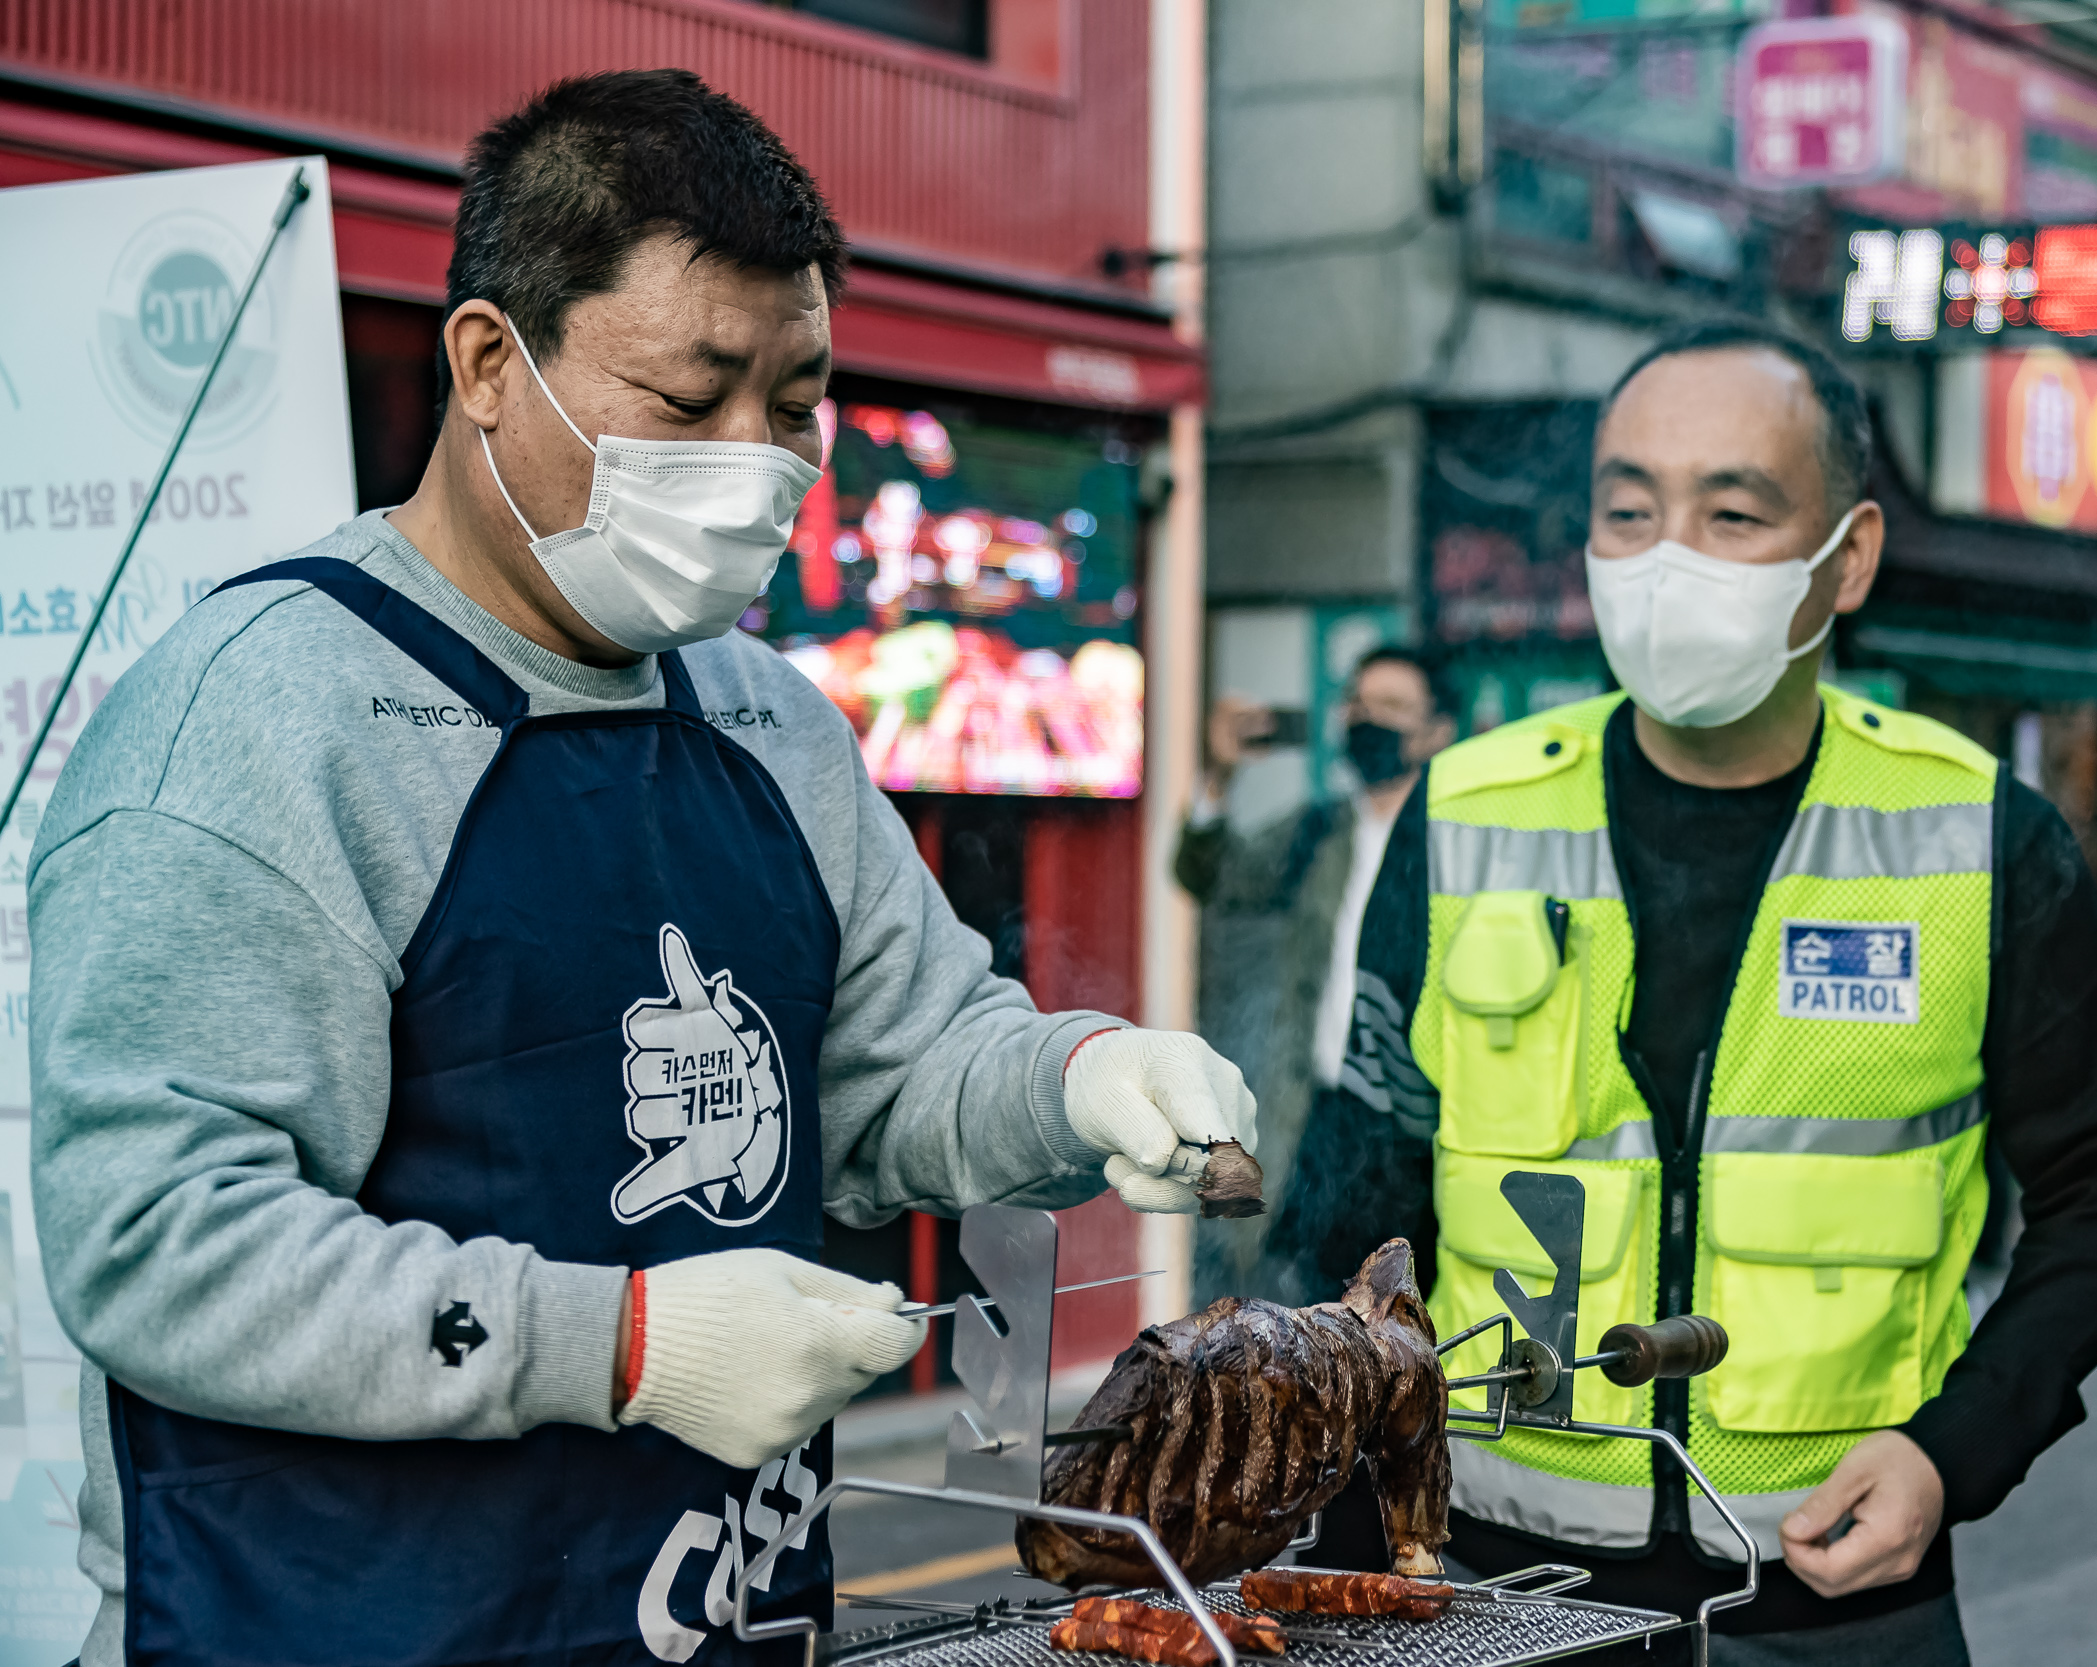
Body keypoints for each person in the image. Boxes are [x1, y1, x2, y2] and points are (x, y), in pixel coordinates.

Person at [27, 72, 1255, 1667]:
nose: (753, 459)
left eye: (797, 401)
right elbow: (158, 1238)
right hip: (323, 1620)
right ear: (487, 363)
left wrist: (1081, 1077)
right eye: (689, 401)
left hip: (720, 1612)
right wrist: (621, 1341)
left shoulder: (767, 719)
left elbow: (901, 1072)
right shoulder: (264, 721)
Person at [1290, 317, 2097, 1663]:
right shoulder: (1468, 809)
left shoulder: (1979, 836)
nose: (1667, 560)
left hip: (1835, 1596)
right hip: (1492, 1591)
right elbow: (1363, 1196)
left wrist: (1959, 1447)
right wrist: (1354, 1543)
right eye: (1630, 510)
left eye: (1732, 511)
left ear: (1852, 555)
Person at [1174, 648, 1457, 1301]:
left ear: (1437, 732)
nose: (1366, 720)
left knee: (1416, 1320)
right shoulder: (1320, 828)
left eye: (1390, 707)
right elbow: (1211, 876)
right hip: (1324, 1114)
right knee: (1313, 1311)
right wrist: (1217, 774)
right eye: (1357, 704)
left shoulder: (1456, 836)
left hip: (1419, 1126)